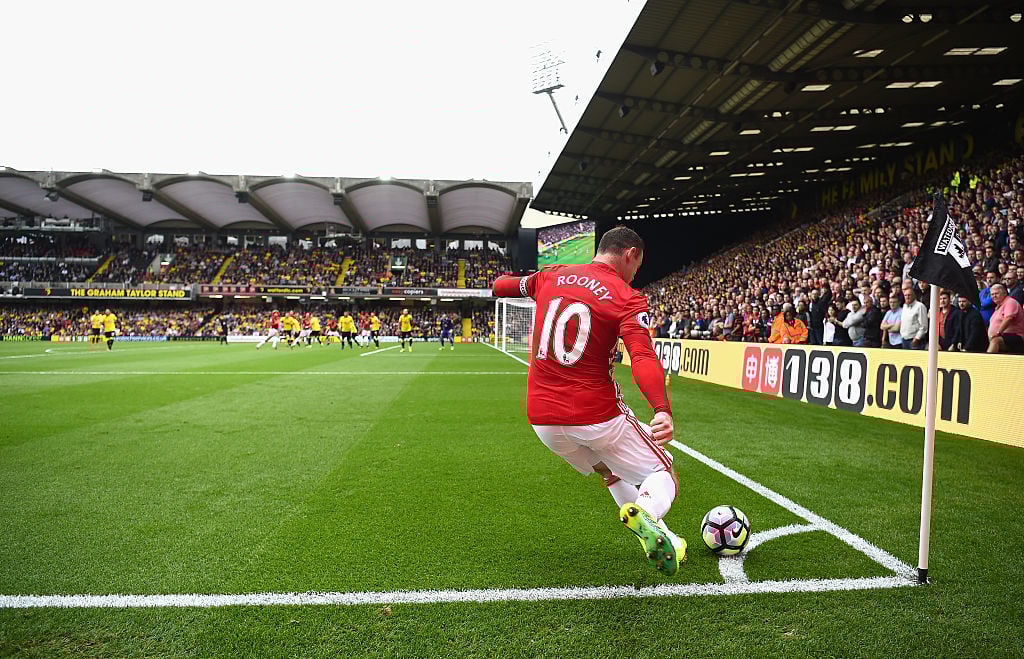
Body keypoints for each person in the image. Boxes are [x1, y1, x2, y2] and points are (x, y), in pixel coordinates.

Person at [492, 225, 684, 576]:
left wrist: (513, 282)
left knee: (608, 470)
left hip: (543, 421)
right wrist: (662, 409)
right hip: (595, 413)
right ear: (631, 255)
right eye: (637, 267)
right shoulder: (627, 297)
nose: (635, 273)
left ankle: (661, 537)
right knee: (664, 470)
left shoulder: (551, 276)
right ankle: (649, 512)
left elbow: (501, 286)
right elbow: (642, 357)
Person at [987, 283, 1024, 354]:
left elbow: (1008, 318)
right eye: (992, 294)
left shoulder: (1010, 302)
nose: (994, 296)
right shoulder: (999, 306)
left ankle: (986, 363)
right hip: (1003, 337)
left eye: (996, 293)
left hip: (1015, 337)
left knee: (996, 341)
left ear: (1004, 293)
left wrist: (998, 333)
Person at [900, 283, 928, 349]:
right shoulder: (904, 307)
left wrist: (917, 338)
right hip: (904, 339)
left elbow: (923, 326)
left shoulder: (920, 306)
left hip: (915, 340)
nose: (907, 297)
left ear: (914, 296)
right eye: (905, 295)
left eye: (909, 295)